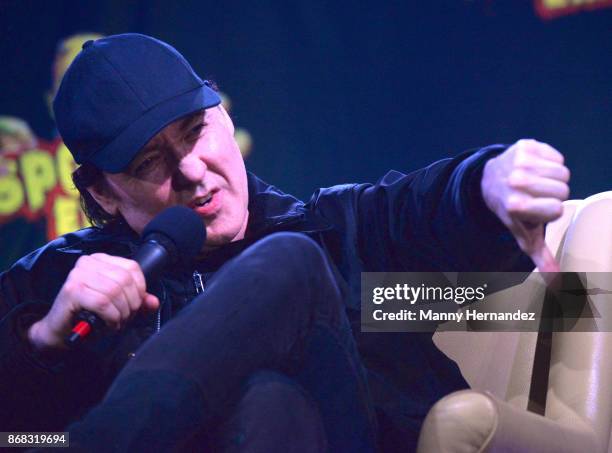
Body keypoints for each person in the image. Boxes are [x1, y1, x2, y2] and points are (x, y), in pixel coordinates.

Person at [0, 34, 570, 452]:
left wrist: (485, 184)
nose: (193, 170)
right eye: (150, 162)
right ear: (101, 193)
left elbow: (429, 215)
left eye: (196, 131)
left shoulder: (335, 231)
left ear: (223, 115)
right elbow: (21, 440)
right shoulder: (48, 293)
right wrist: (44, 341)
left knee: (293, 264)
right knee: (266, 403)